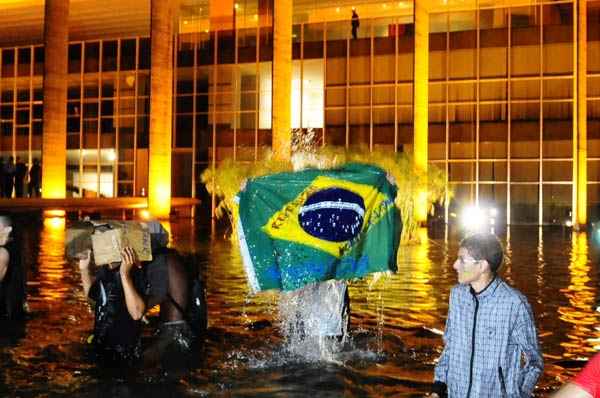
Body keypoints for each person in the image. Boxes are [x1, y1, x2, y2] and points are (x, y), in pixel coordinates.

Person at [74, 221, 205, 368]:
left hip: (124, 357)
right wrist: (84, 270)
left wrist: (126, 276)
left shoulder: (141, 269)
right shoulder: (109, 269)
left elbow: (138, 312)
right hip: (103, 348)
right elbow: (96, 302)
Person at [430, 232, 543, 397]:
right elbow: (450, 346)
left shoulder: (514, 304)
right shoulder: (457, 296)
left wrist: (519, 393)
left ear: (482, 266)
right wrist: (438, 388)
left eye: (462, 260)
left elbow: (534, 362)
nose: (455, 265)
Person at [0, 216, 26, 320]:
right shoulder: (14, 248)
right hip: (12, 311)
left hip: (5, 316)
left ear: (7, 230)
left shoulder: (3, 253)